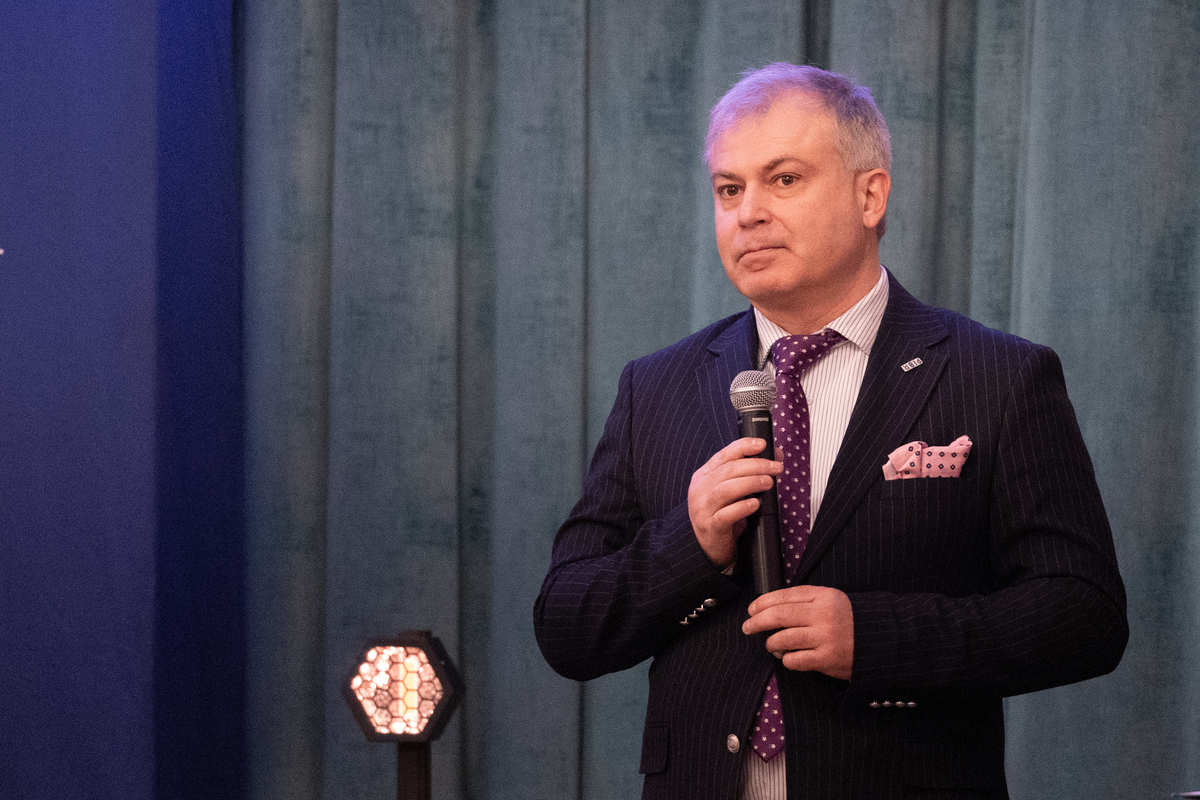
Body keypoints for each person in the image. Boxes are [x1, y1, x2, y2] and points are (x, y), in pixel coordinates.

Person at [532, 63, 1127, 800]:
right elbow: (566, 627)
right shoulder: (655, 388)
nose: (748, 213)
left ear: (869, 195)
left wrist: (875, 639)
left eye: (783, 180)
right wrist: (690, 544)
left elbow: (1085, 615)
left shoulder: (998, 376)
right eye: (729, 189)